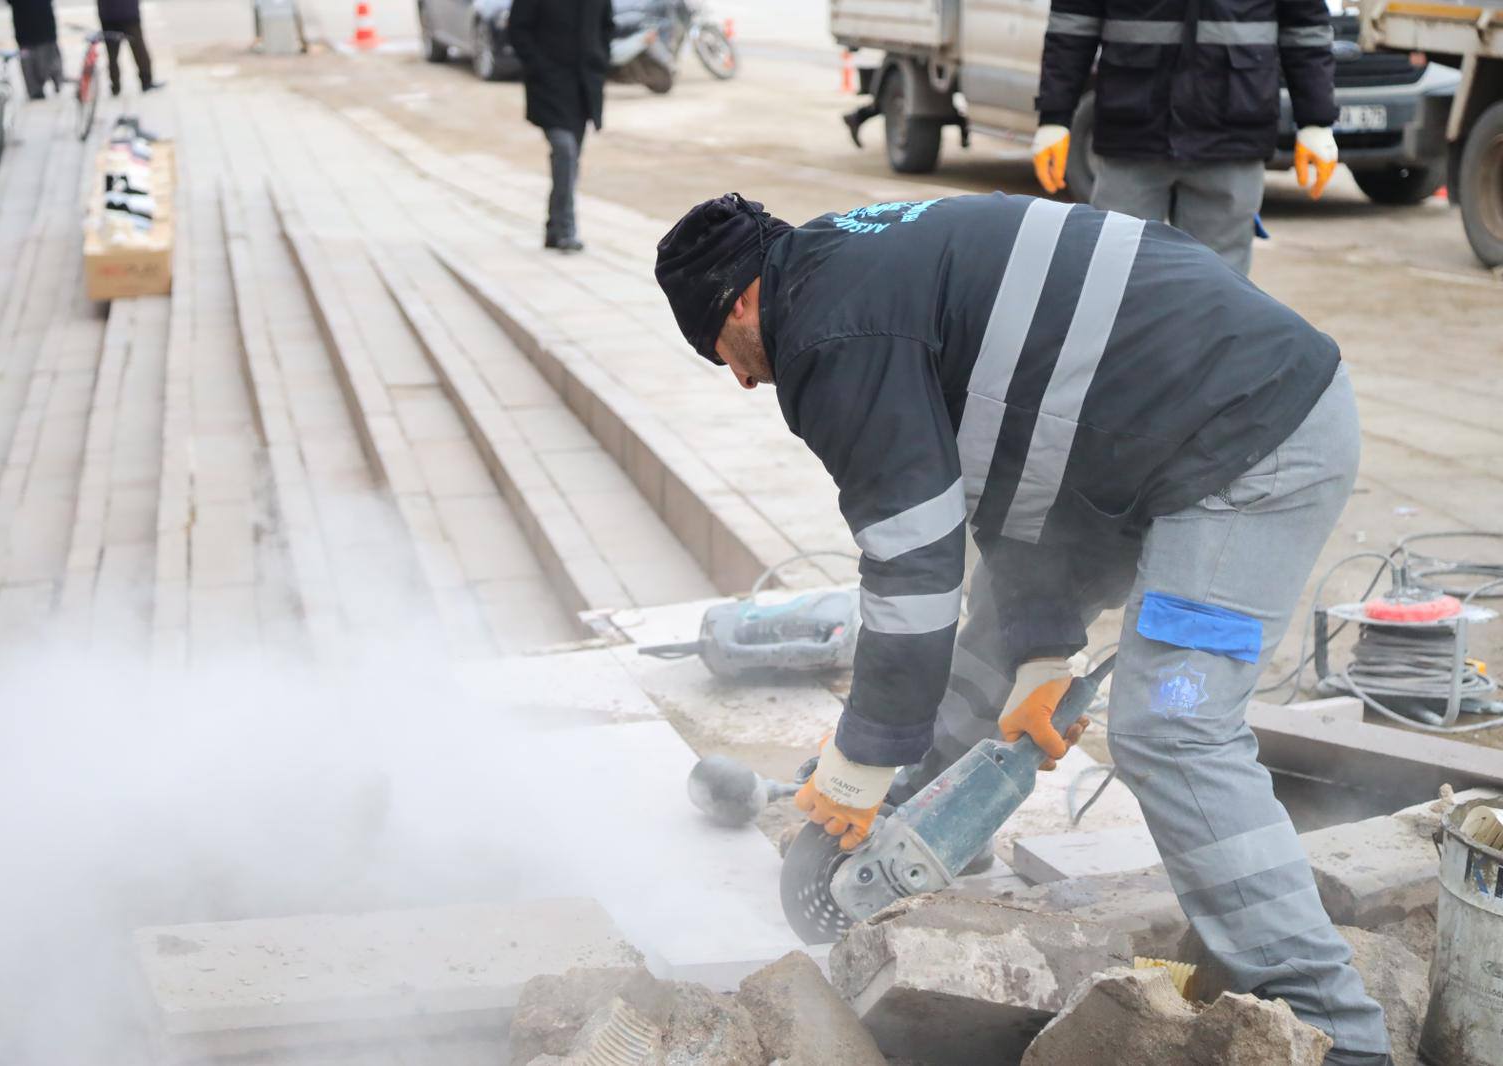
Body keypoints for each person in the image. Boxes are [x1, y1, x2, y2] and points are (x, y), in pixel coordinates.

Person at [653, 192, 1392, 1066]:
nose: (740, 378)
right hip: (1161, 433)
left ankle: (1333, 1027)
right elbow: (1007, 476)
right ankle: (916, 835)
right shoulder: (849, 267)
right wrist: (1042, 644)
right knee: (994, 640)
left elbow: (912, 566)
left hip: (1250, 448)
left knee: (1172, 728)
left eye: (722, 355)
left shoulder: (825, 333)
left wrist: (860, 756)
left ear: (741, 301)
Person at [1032, 0, 1340, 274]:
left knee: (1218, 288)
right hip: (1134, 131)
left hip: (1230, 132)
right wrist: (1054, 118)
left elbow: (1305, 28)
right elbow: (1073, 23)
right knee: (1114, 275)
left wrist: (1316, 121)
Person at [507, 0, 614, 254]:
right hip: (548, 87)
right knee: (564, 150)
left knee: (570, 158)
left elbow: (607, 26)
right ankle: (567, 230)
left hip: (584, 87)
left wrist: (599, 59)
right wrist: (539, 67)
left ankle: (554, 228)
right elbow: (518, 30)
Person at [96, 0, 162, 97]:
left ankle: (115, 87)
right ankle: (146, 82)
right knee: (138, 49)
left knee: (112, 54)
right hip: (127, 13)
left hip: (108, 14)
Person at [7, 0, 63, 100]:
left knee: (47, 55)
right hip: (24, 22)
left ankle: (55, 77)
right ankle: (35, 89)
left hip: (41, 20)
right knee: (28, 59)